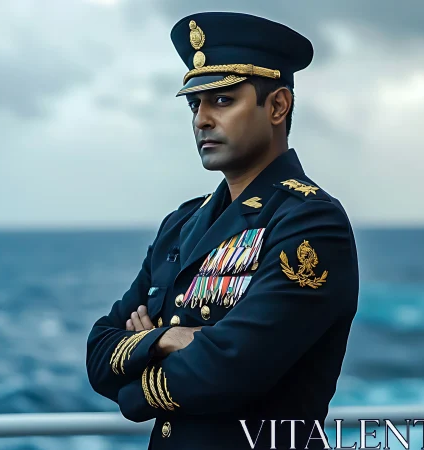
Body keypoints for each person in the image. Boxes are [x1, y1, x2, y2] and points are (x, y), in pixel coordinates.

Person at [85, 11, 359, 450]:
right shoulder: (181, 225)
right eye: (196, 104)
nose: (201, 119)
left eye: (223, 101)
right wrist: (170, 338)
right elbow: (99, 351)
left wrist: (137, 382)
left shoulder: (310, 222)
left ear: (277, 106)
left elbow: (232, 369)